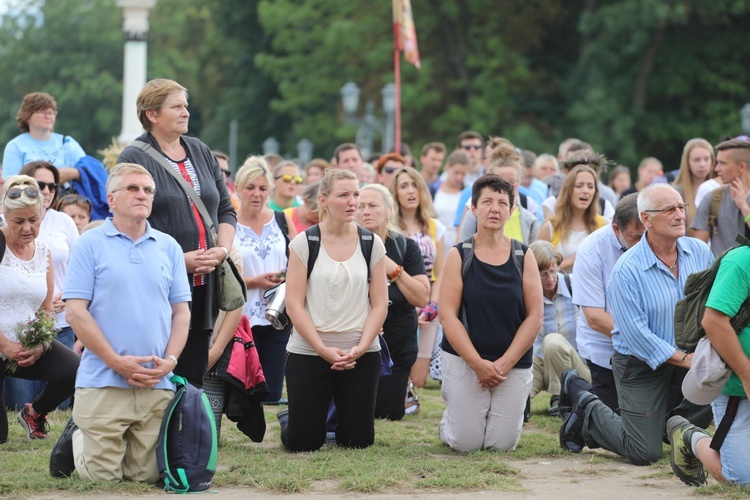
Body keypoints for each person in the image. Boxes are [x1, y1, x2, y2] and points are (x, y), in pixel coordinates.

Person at [53, 163, 191, 482]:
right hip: (103, 379)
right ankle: (78, 436)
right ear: (111, 199)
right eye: (132, 188)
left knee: (147, 477)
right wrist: (116, 362)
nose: (142, 195)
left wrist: (170, 361)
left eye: (147, 190)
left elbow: (181, 313)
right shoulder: (89, 243)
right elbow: (75, 312)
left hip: (156, 382)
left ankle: (89, 431)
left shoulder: (169, 247)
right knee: (103, 477)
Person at [559, 184, 713, 466]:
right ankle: (588, 408)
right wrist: (687, 359)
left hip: (687, 356)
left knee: (721, 376)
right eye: (669, 209)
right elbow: (636, 335)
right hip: (640, 362)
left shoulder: (700, 252)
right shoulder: (626, 269)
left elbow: (711, 305)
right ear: (647, 219)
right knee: (644, 452)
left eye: (681, 207)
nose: (679, 215)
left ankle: (670, 426)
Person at [117, 78, 236, 388]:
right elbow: (128, 221)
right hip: (160, 283)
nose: (186, 112)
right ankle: (157, 434)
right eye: (177, 106)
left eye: (186, 105)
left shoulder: (199, 149)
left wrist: (222, 250)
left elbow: (225, 208)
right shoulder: (134, 157)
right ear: (153, 114)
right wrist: (178, 260)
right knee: (160, 371)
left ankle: (187, 434)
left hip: (204, 282)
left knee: (193, 373)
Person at [278, 169, 388, 452]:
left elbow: (379, 305)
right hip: (309, 350)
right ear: (323, 200)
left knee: (357, 442)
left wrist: (362, 347)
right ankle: (292, 419)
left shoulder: (371, 243)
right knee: (304, 443)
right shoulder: (305, 242)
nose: (354, 202)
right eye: (344, 195)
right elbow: (294, 305)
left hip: (360, 352)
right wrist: (322, 349)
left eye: (356, 195)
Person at [438, 175, 543, 452]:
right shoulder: (459, 255)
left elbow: (534, 316)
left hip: (512, 362)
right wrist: (478, 364)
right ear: (473, 209)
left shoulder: (523, 255)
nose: (494, 209)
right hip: (465, 358)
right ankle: (449, 423)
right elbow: (447, 315)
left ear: (511, 211)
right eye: (487, 202)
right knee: (466, 444)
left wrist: (505, 363)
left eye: (502, 203)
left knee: (501, 446)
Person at [0, 176, 79, 443]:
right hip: (2, 344)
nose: (26, 228)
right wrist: (5, 345)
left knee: (74, 369)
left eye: (33, 220)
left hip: (25, 344)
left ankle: (36, 413)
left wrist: (42, 344)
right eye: (18, 221)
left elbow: (47, 309)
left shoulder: (43, 251)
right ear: (5, 216)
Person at [666, 239, 750, 486]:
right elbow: (713, 322)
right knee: (742, 479)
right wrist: (746, 376)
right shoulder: (742, 261)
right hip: (737, 390)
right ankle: (689, 435)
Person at [357, 184, 430, 420]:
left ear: (388, 211)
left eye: (372, 205)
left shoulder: (405, 246)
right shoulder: (345, 245)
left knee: (387, 413)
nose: (366, 211)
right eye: (361, 206)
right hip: (354, 341)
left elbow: (421, 296)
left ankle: (403, 390)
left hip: (397, 343)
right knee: (359, 410)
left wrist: (392, 267)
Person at [571, 193, 644, 412]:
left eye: (646, 235)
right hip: (605, 350)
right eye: (635, 238)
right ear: (616, 229)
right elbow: (594, 318)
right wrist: (645, 339)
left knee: (653, 424)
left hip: (648, 348)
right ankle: (575, 389)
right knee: (613, 428)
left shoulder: (656, 241)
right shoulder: (591, 250)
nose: (643, 245)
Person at [233, 156, 296, 403]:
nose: (256, 194)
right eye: (250, 188)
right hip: (241, 313)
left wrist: (285, 276)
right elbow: (221, 273)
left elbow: (300, 260)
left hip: (278, 311)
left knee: (272, 392)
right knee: (242, 388)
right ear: (238, 188)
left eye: (262, 188)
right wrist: (253, 281)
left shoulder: (280, 220)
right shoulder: (228, 225)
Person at [390, 166, 446, 390]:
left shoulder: (436, 227)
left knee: (418, 382)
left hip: (427, 302)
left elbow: (440, 272)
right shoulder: (389, 227)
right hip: (399, 300)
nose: (411, 191)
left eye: (415, 185)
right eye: (404, 186)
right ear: (395, 193)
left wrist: (431, 305)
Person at [528, 241, 589, 415]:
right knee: (515, 398)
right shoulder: (528, 295)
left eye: (553, 271)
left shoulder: (575, 284)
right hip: (543, 364)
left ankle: (560, 396)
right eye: (543, 274)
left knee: (553, 341)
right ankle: (522, 402)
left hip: (578, 367)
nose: (550, 279)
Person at [458, 143, 540, 245]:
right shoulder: (473, 215)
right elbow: (463, 251)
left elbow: (534, 256)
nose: (504, 187)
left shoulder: (530, 220)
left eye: (511, 182)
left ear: (519, 182)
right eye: (498, 182)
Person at [539, 163, 608, 272]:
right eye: (579, 185)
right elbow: (538, 271)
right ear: (568, 190)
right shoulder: (550, 227)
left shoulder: (604, 226)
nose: (585, 191)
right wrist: (574, 259)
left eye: (590, 186)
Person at [2, 92, 86, 181]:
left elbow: (90, 171)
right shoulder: (15, 146)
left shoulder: (67, 142)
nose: (48, 116)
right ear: (27, 116)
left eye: (51, 112)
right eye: (42, 112)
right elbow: (11, 183)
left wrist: (73, 173)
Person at [692, 136, 750, 256]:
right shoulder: (712, 198)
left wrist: (744, 207)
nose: (716, 169)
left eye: (722, 163)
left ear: (741, 167)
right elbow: (698, 252)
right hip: (721, 273)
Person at [672, 139, 715, 238]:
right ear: (687, 162)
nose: (702, 164)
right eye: (697, 160)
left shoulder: (720, 187)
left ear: (712, 160)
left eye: (706, 159)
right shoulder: (676, 192)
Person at [432, 151, 468, 248]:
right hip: (436, 240)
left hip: (458, 242)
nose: (459, 177)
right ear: (448, 167)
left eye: (463, 174)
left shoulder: (468, 194)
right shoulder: (434, 190)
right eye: (456, 172)